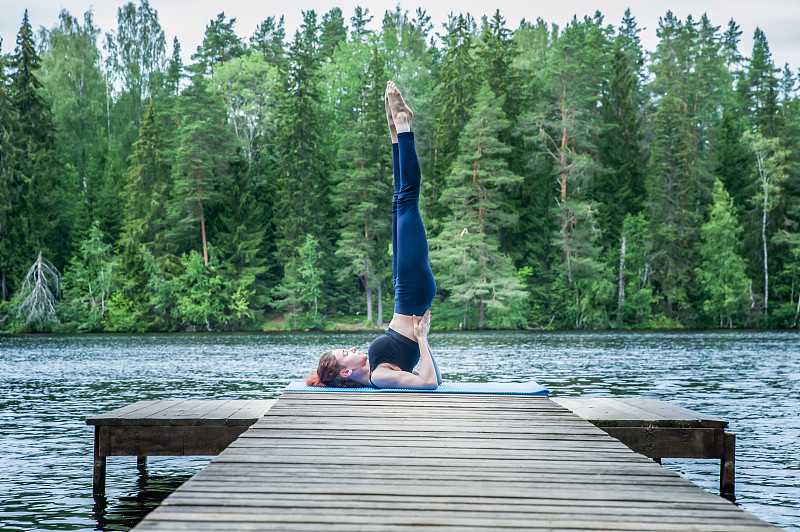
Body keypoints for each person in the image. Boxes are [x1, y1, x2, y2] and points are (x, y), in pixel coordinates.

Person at [306, 81, 442, 390]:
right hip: (412, 292)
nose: (352, 349)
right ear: (344, 372)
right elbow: (430, 383)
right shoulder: (378, 376)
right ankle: (404, 126)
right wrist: (422, 339)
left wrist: (420, 339)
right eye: (346, 354)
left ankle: (396, 132)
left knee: (398, 202)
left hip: (402, 292)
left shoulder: (374, 367)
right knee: (407, 199)